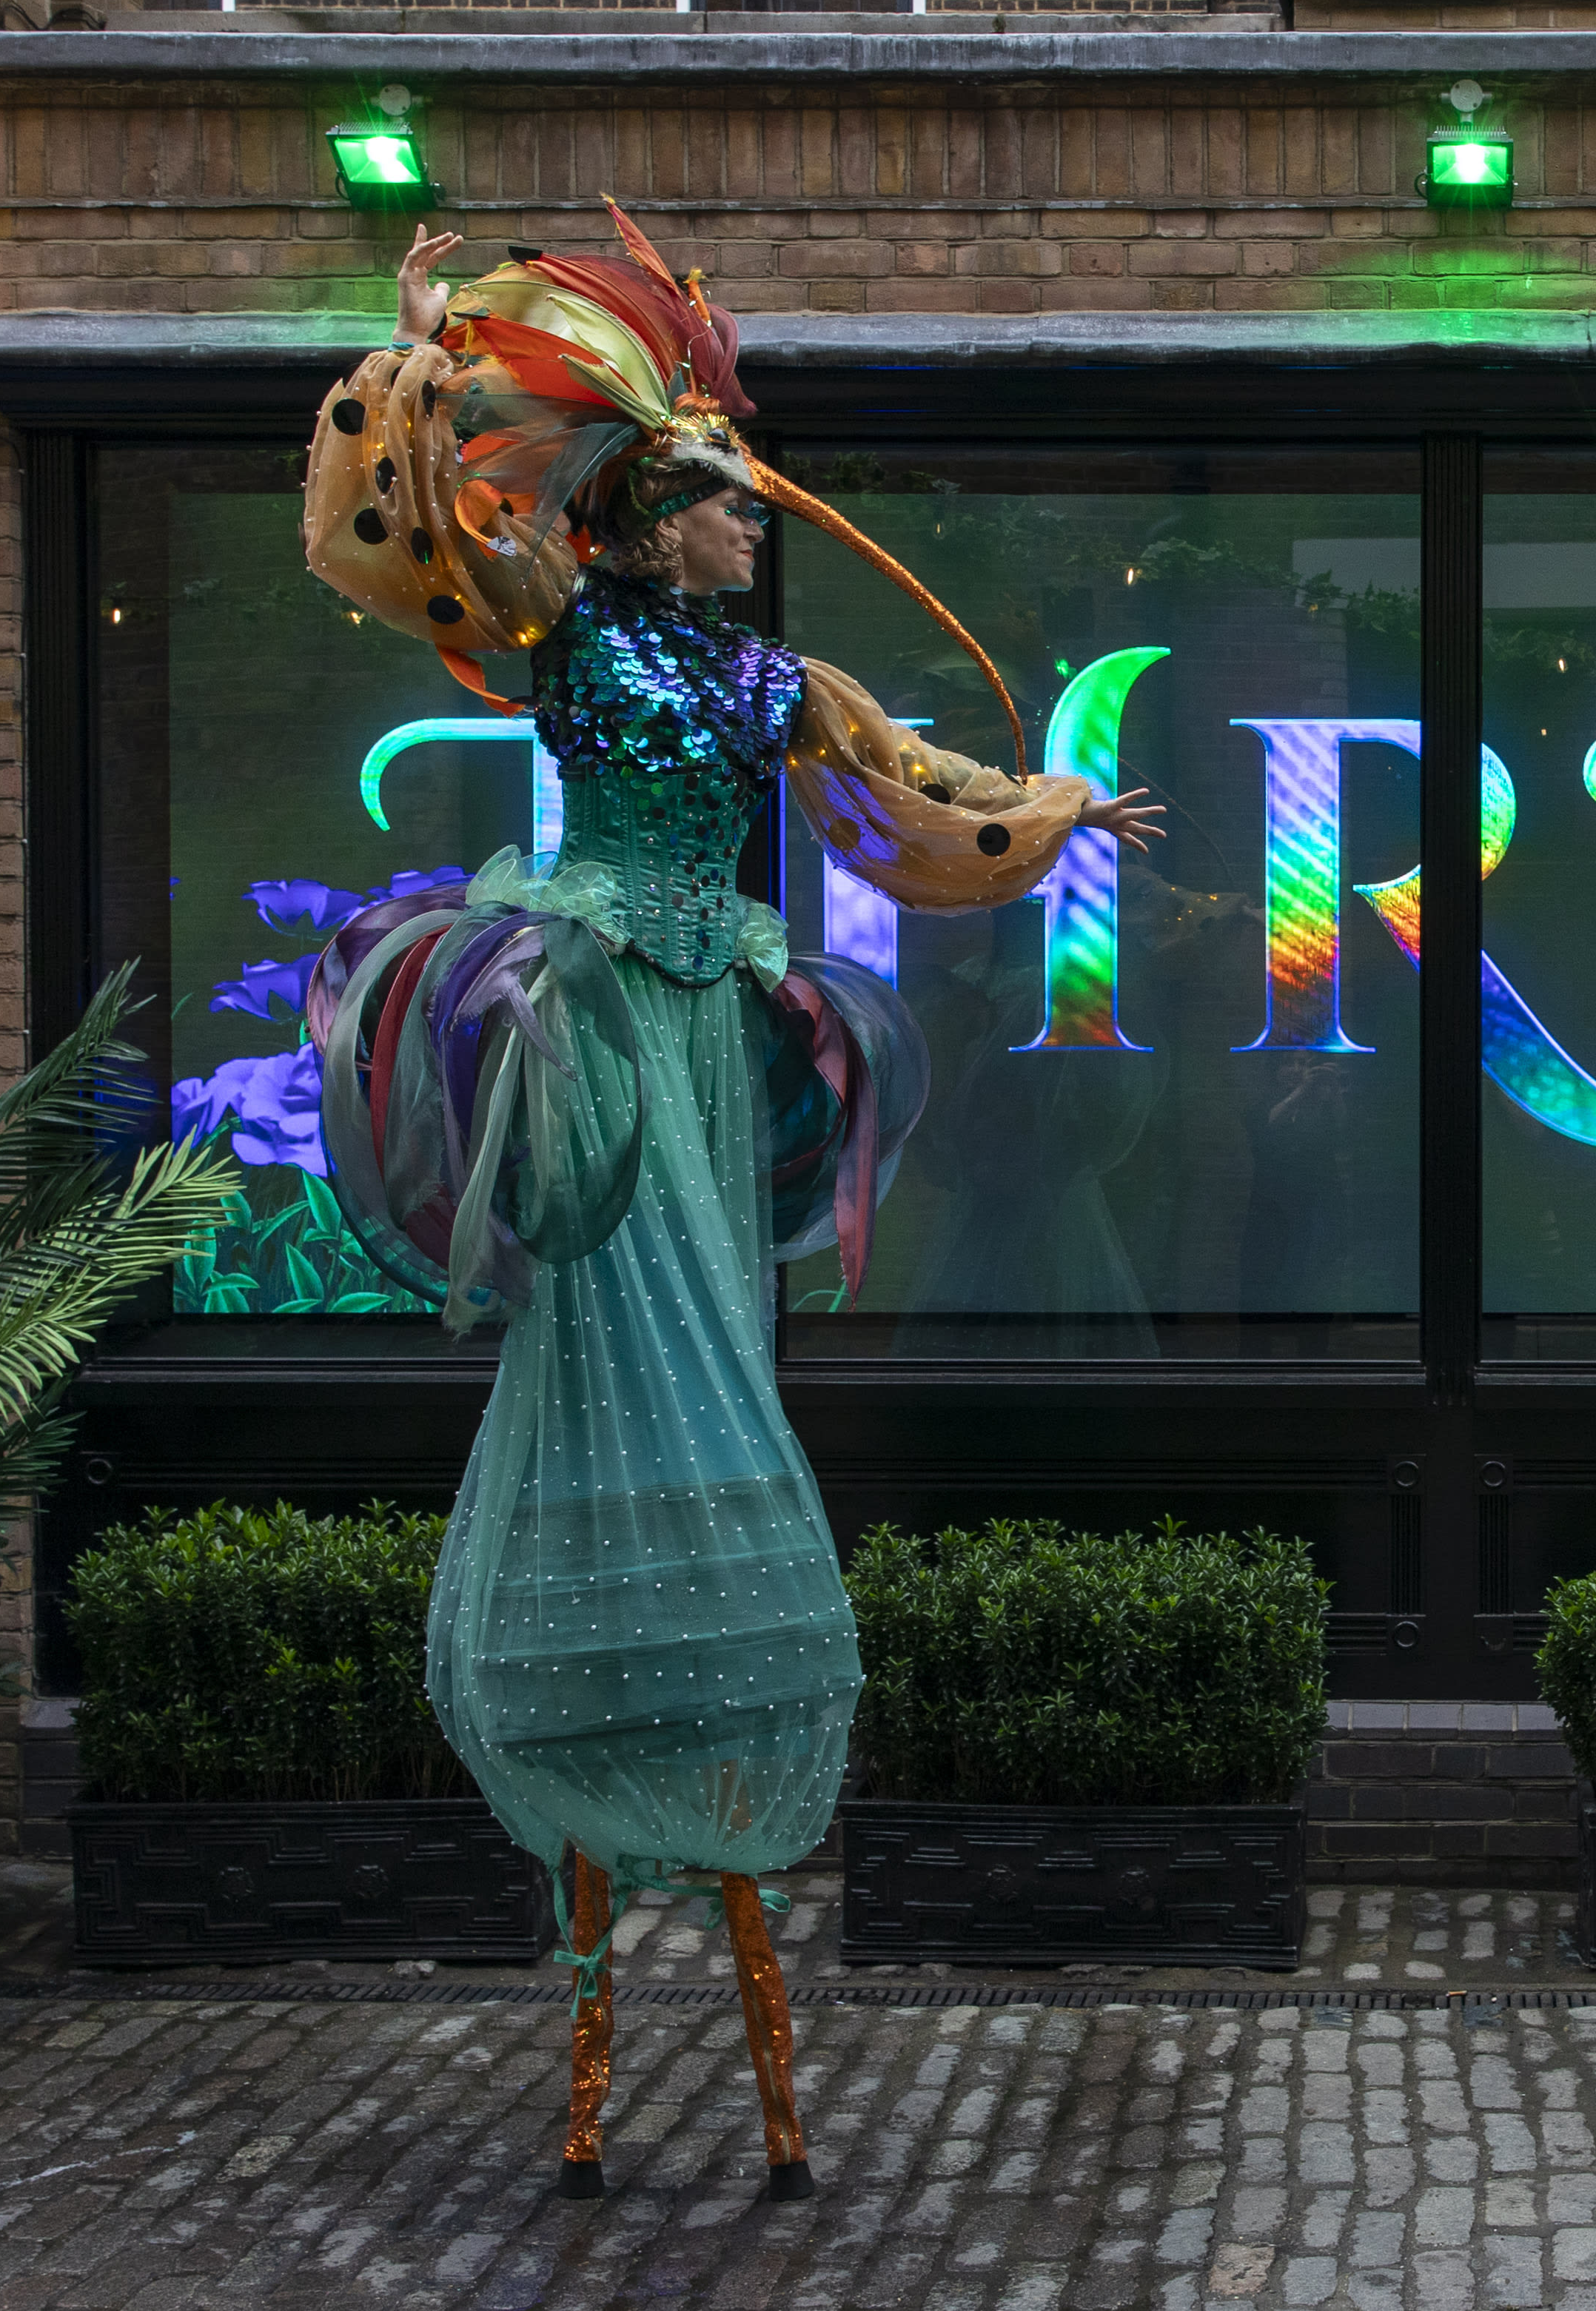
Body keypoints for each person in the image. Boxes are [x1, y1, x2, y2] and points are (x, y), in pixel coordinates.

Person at [298, 208, 1163, 2201]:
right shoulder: (571, 627)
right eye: (718, 511)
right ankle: (614, 1845)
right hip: (596, 1001)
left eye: (744, 516)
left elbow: (909, 764)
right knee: (612, 1286)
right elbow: (428, 515)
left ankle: (699, 1848)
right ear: (647, 517)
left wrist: (1052, 814)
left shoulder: (770, 669)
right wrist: (420, 344)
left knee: (713, 1306)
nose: (745, 534)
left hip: (710, 1019)